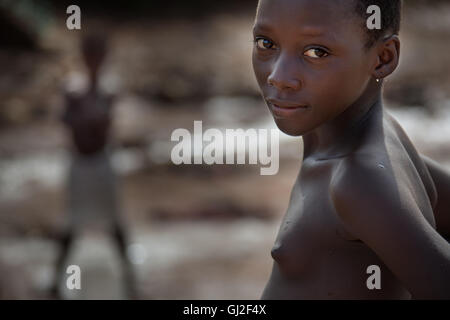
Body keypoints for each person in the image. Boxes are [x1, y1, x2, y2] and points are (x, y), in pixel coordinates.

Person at [252, 0, 450, 299]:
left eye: (316, 52)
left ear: (382, 58)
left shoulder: (356, 179)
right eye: (266, 43)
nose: (278, 76)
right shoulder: (382, 140)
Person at [53, 33, 136, 299]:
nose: (94, 60)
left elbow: (101, 125)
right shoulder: (72, 88)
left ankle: (131, 282)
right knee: (72, 223)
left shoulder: (108, 88)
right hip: (80, 164)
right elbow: (72, 122)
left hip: (102, 163)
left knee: (114, 223)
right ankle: (55, 282)